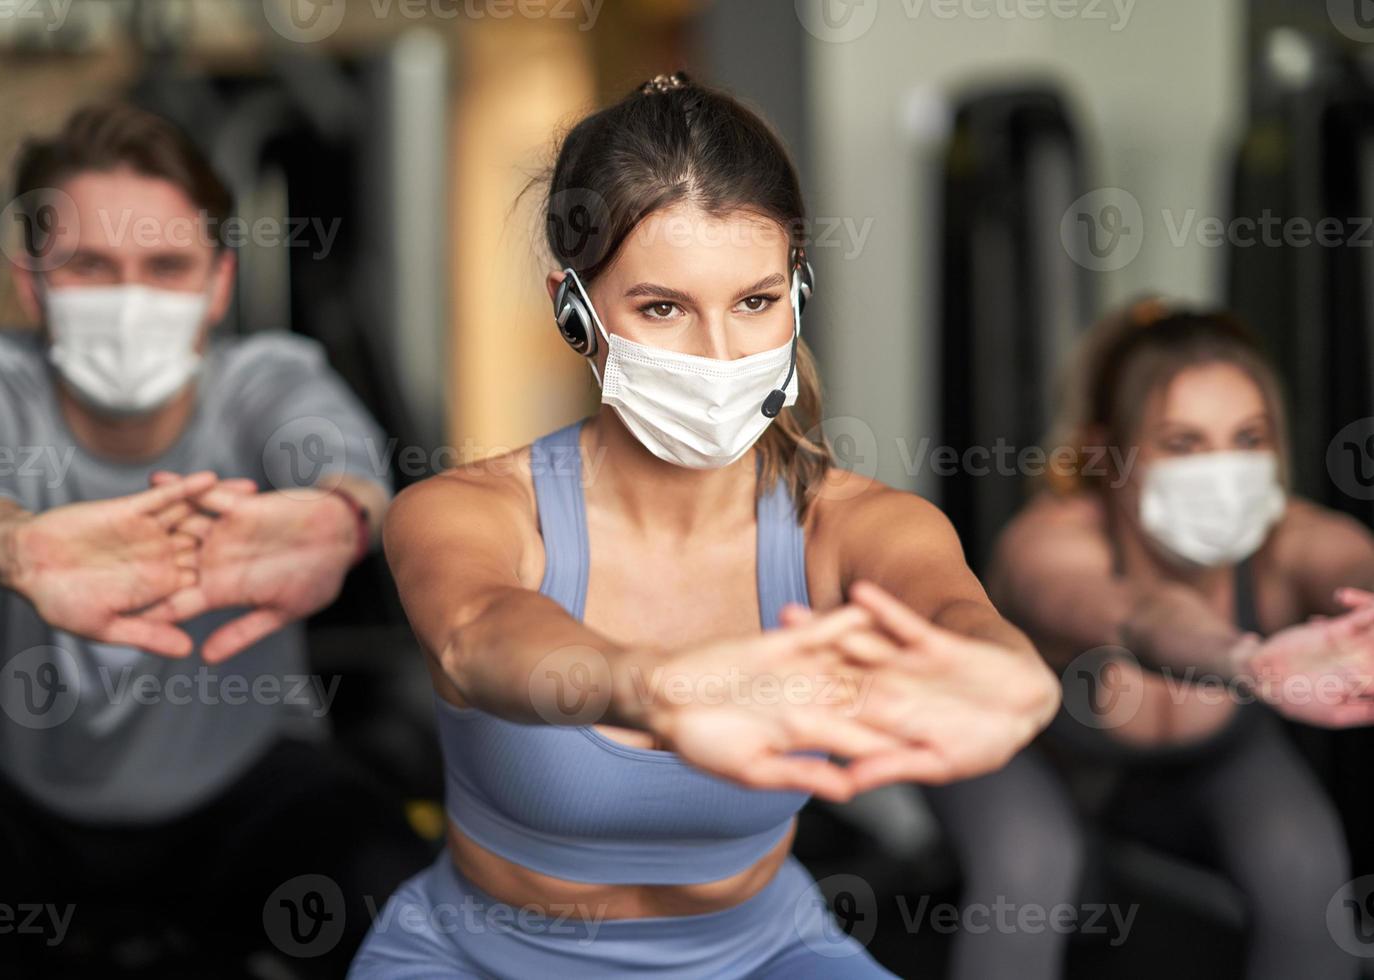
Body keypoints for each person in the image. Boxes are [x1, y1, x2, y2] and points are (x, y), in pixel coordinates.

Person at [349, 72, 1061, 980]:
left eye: (756, 302)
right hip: (477, 958)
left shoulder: (855, 527)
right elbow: (474, 637)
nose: (722, 357)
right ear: (573, 310)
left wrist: (1009, 682)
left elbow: (972, 633)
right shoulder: (470, 510)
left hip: (761, 956)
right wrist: (667, 691)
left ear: (797, 295)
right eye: (663, 307)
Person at [0, 103, 429, 977]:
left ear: (218, 284)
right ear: (31, 283)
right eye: (91, 266)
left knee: (392, 905)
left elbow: (334, 445)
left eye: (164, 265)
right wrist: (11, 543)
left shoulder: (263, 377)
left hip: (237, 784)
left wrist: (339, 516)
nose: (130, 298)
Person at [924, 299, 1374, 980]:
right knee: (1030, 870)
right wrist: (1244, 659)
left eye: (1248, 438)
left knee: (1307, 869)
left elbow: (1349, 562)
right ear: (1110, 456)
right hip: (1024, 753)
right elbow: (1139, 616)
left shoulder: (1289, 538)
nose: (1224, 470)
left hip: (1212, 755)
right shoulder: (1047, 544)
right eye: (1184, 442)